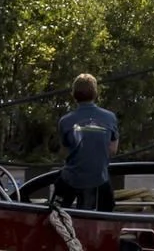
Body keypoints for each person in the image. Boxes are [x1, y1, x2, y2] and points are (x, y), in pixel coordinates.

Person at [56, 74, 117, 212]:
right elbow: (112, 150)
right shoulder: (110, 118)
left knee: (59, 197)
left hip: (71, 179)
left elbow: (64, 152)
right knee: (108, 203)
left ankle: (56, 214)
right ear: (95, 94)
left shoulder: (65, 121)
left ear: (74, 94)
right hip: (99, 179)